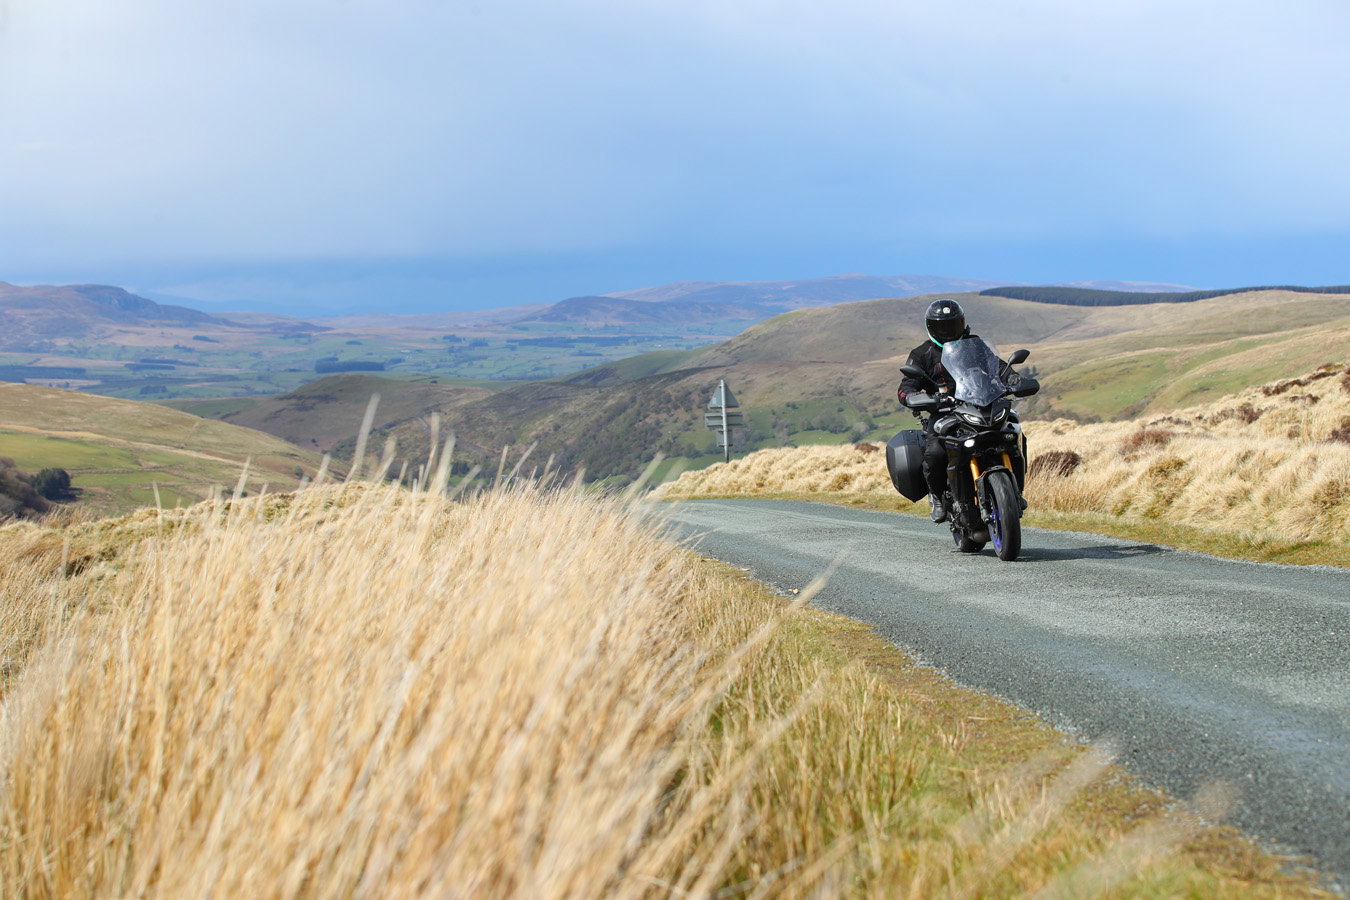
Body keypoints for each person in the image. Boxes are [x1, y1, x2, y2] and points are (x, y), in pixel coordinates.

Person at [896, 299, 971, 523]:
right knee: (936, 452)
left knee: (1010, 431)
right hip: (944, 411)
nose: (947, 331)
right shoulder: (922, 354)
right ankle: (937, 496)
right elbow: (907, 385)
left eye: (952, 325)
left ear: (962, 324)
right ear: (931, 327)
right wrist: (912, 397)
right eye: (941, 326)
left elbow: (995, 365)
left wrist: (1011, 377)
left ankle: (1014, 490)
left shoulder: (973, 345)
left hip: (977, 406)